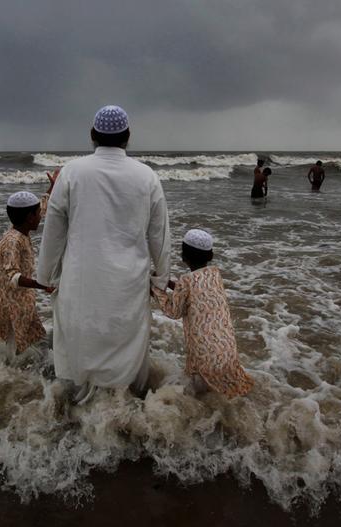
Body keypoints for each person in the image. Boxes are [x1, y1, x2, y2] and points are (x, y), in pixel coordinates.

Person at [36, 105, 171, 400]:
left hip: (81, 279)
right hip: (129, 284)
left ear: (93, 135)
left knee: (81, 341)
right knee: (126, 347)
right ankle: (125, 412)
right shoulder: (147, 176)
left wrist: (44, 275)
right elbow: (159, 236)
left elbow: (54, 231)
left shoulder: (72, 172)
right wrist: (161, 279)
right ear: (128, 137)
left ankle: (81, 412)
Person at [151, 229, 254, 398]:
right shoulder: (214, 274)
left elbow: (173, 311)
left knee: (199, 396)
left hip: (204, 355)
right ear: (209, 256)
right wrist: (169, 284)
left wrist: (155, 289)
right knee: (227, 394)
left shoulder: (186, 281)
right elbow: (195, 295)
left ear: (185, 256)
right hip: (226, 350)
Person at [0, 181, 56, 358]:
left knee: (34, 344)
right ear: (29, 218)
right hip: (12, 306)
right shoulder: (13, 242)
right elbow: (14, 277)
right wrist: (44, 285)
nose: (41, 216)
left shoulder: (19, 232)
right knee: (18, 350)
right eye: (38, 214)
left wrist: (52, 187)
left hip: (22, 303)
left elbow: (41, 206)